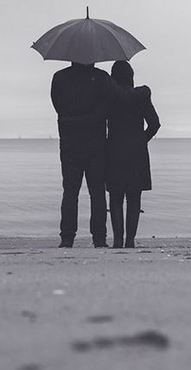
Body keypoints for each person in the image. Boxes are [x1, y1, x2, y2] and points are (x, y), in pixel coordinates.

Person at [50, 62, 149, 248]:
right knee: (97, 193)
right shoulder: (102, 78)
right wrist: (145, 91)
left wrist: (70, 120)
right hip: (95, 143)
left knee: (70, 191)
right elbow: (123, 96)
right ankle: (99, 239)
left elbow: (57, 105)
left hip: (69, 141)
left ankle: (67, 238)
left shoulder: (59, 77)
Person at [105, 61, 160, 248]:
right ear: (131, 76)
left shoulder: (110, 97)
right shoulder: (141, 96)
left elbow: (98, 122)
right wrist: (141, 140)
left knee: (115, 196)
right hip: (136, 151)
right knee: (134, 197)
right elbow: (155, 124)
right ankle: (130, 241)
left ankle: (117, 241)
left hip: (114, 149)